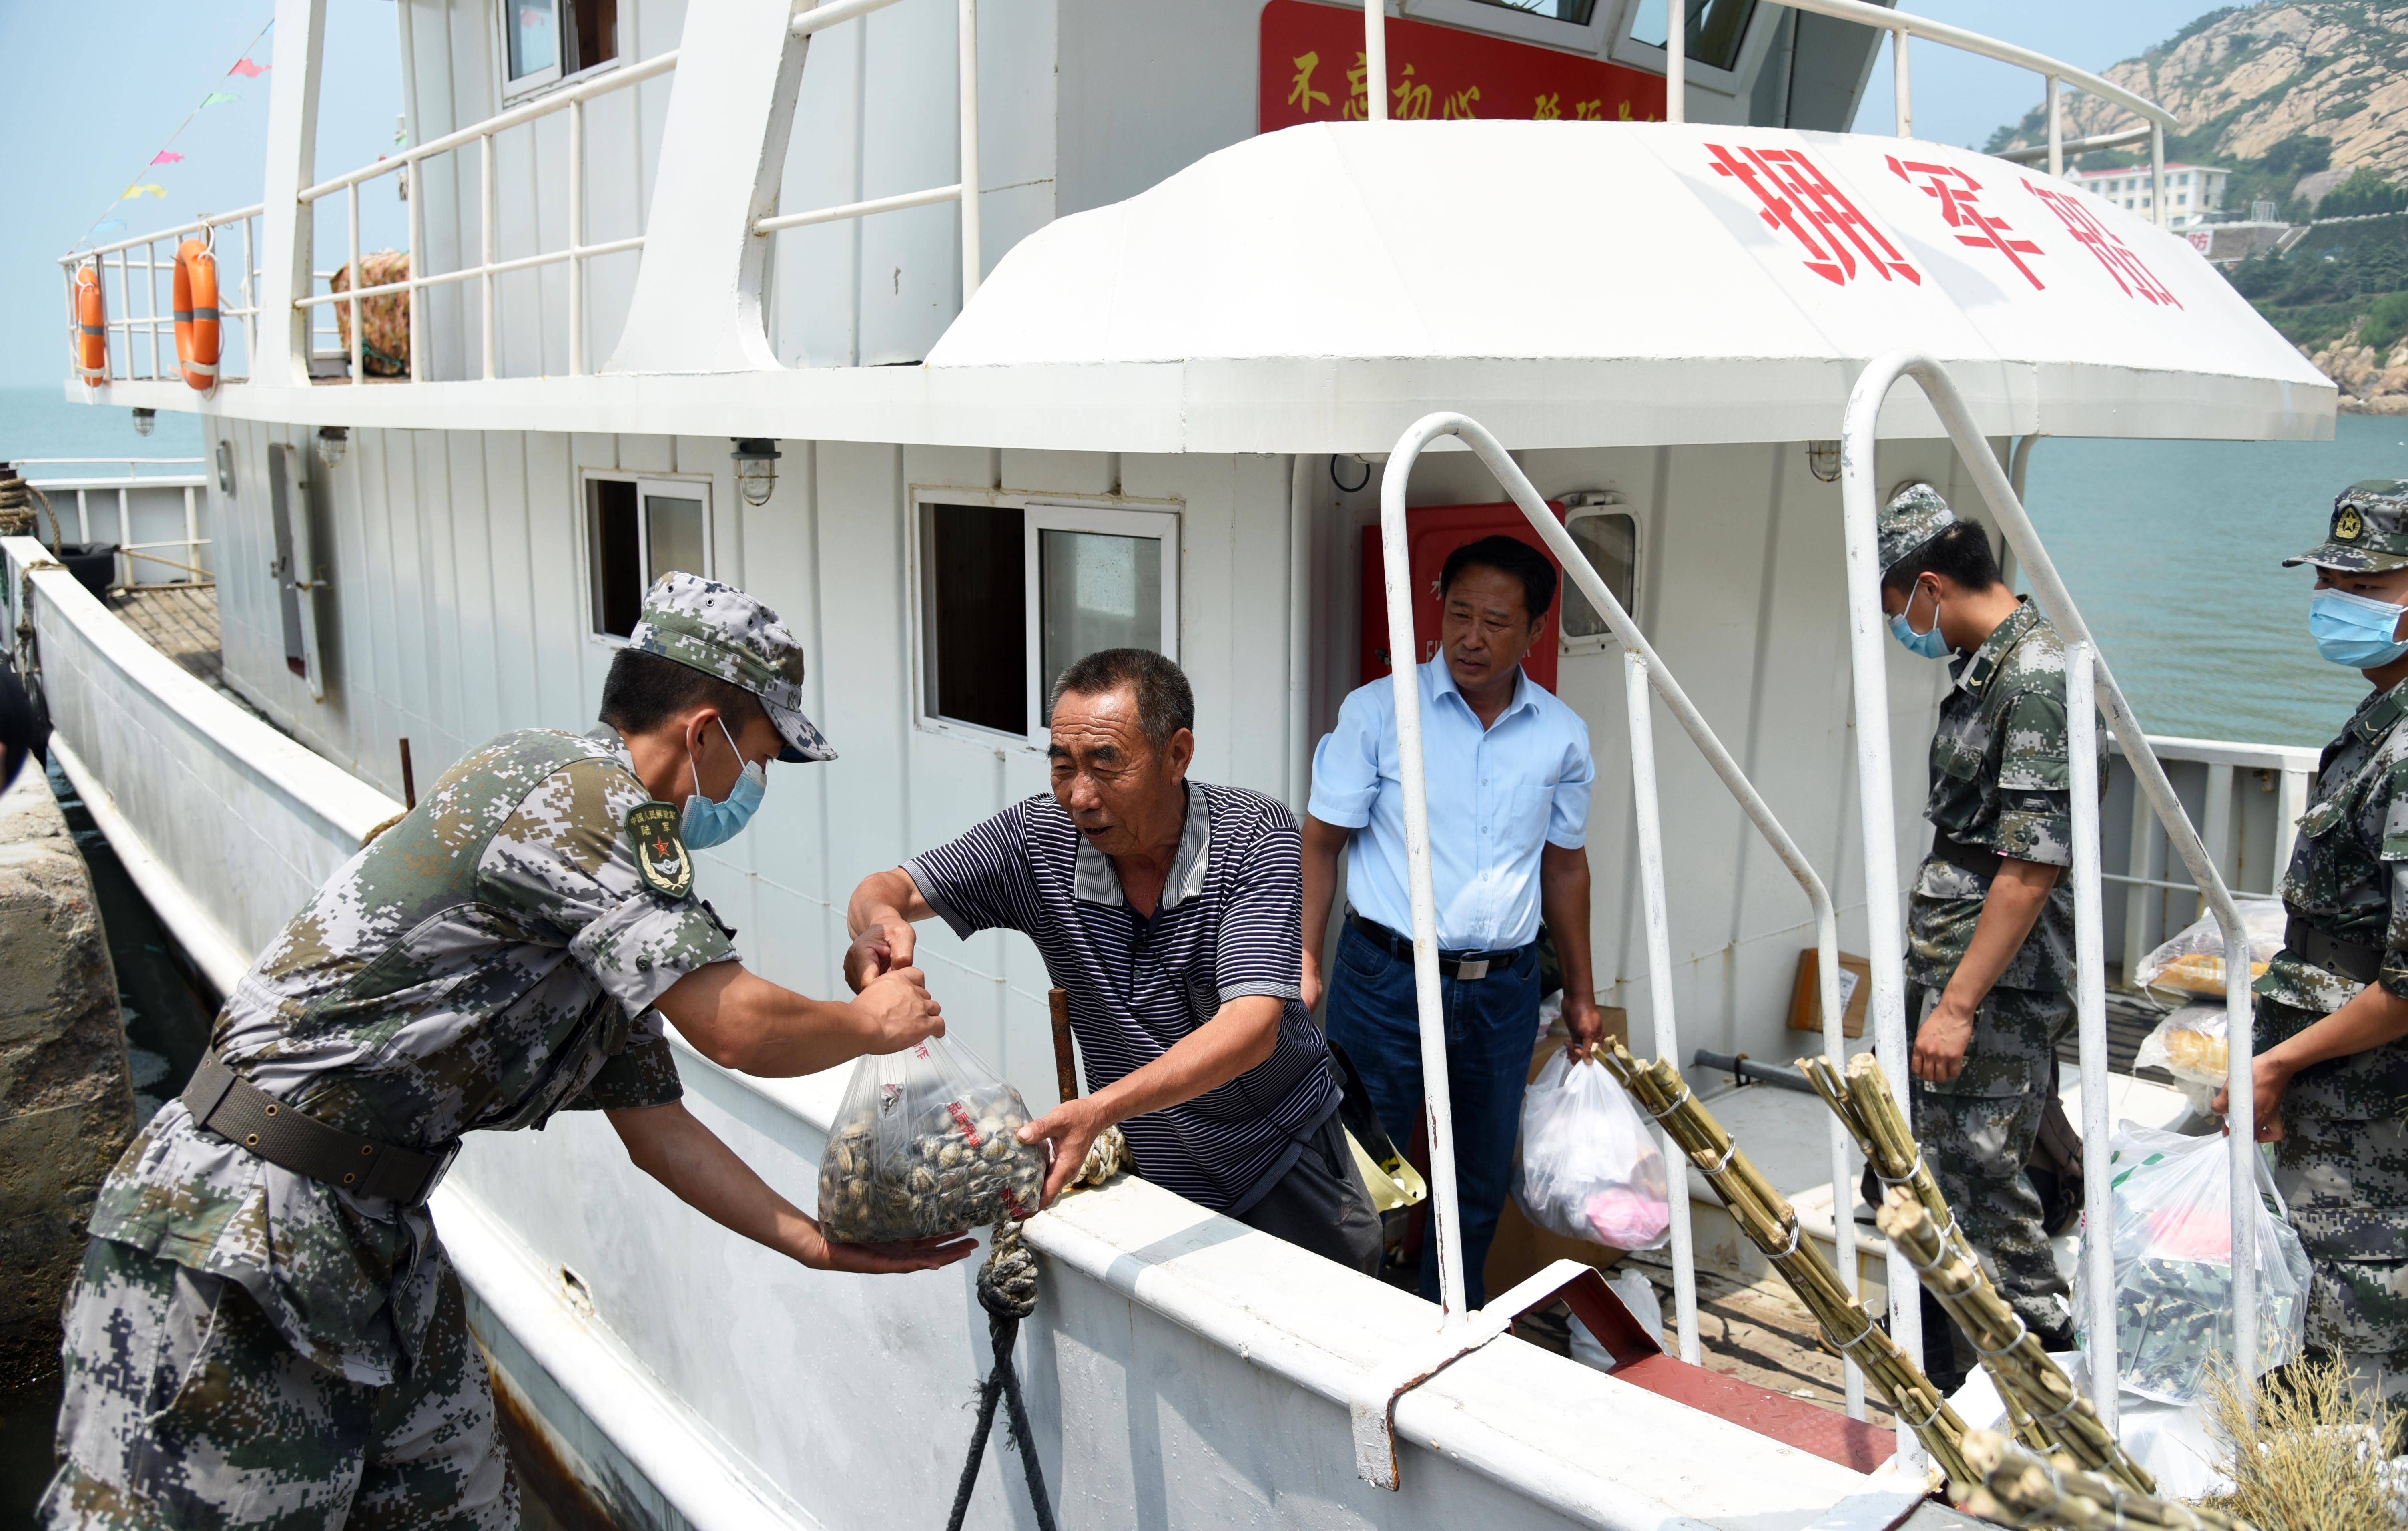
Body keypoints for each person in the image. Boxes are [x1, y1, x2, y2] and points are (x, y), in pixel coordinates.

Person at [44, 573, 973, 1531]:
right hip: (245, 1222)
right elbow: (736, 1026)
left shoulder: (611, 884)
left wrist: (815, 1244)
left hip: (377, 1228)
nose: (754, 788)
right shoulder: (575, 797)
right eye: (761, 758)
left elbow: (658, 1130)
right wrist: (873, 1021)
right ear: (704, 733)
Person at [845, 647, 1383, 1274]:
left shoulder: (1252, 835)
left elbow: (1254, 1026)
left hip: (1279, 1158)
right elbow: (888, 890)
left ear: (1178, 755)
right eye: (1063, 766)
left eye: (1106, 765)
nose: (1080, 796)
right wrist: (879, 928)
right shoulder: (1036, 841)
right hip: (1158, 1170)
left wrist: (1099, 1112)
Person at [1300, 534, 1600, 1308]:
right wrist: (1306, 960)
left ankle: (1449, 1325)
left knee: (1473, 1178)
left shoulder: (1561, 735)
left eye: (1496, 621)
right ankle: (1349, 1329)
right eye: (1459, 614)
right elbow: (1321, 843)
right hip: (1386, 978)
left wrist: (1582, 995)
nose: (1472, 637)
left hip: (1502, 991)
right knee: (1362, 1167)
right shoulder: (1377, 713)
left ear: (1534, 631)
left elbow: (1565, 866)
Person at [1876, 484, 2099, 1384]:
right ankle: (1949, 1379)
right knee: (1936, 1173)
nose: (1902, 628)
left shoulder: (2034, 676)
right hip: (1956, 959)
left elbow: (2028, 867)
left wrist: (1957, 1006)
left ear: (1930, 585)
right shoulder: (1984, 667)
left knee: (1980, 1173)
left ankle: (2051, 1375)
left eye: (1899, 609)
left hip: (1996, 985)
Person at [2218, 479, 2408, 1398]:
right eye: (2329, 579)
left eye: (2367, 589)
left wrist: (2272, 1064)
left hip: (2371, 1141)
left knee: (2356, 1379)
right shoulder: (2378, 725)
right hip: (2336, 1120)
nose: (2336, 602)